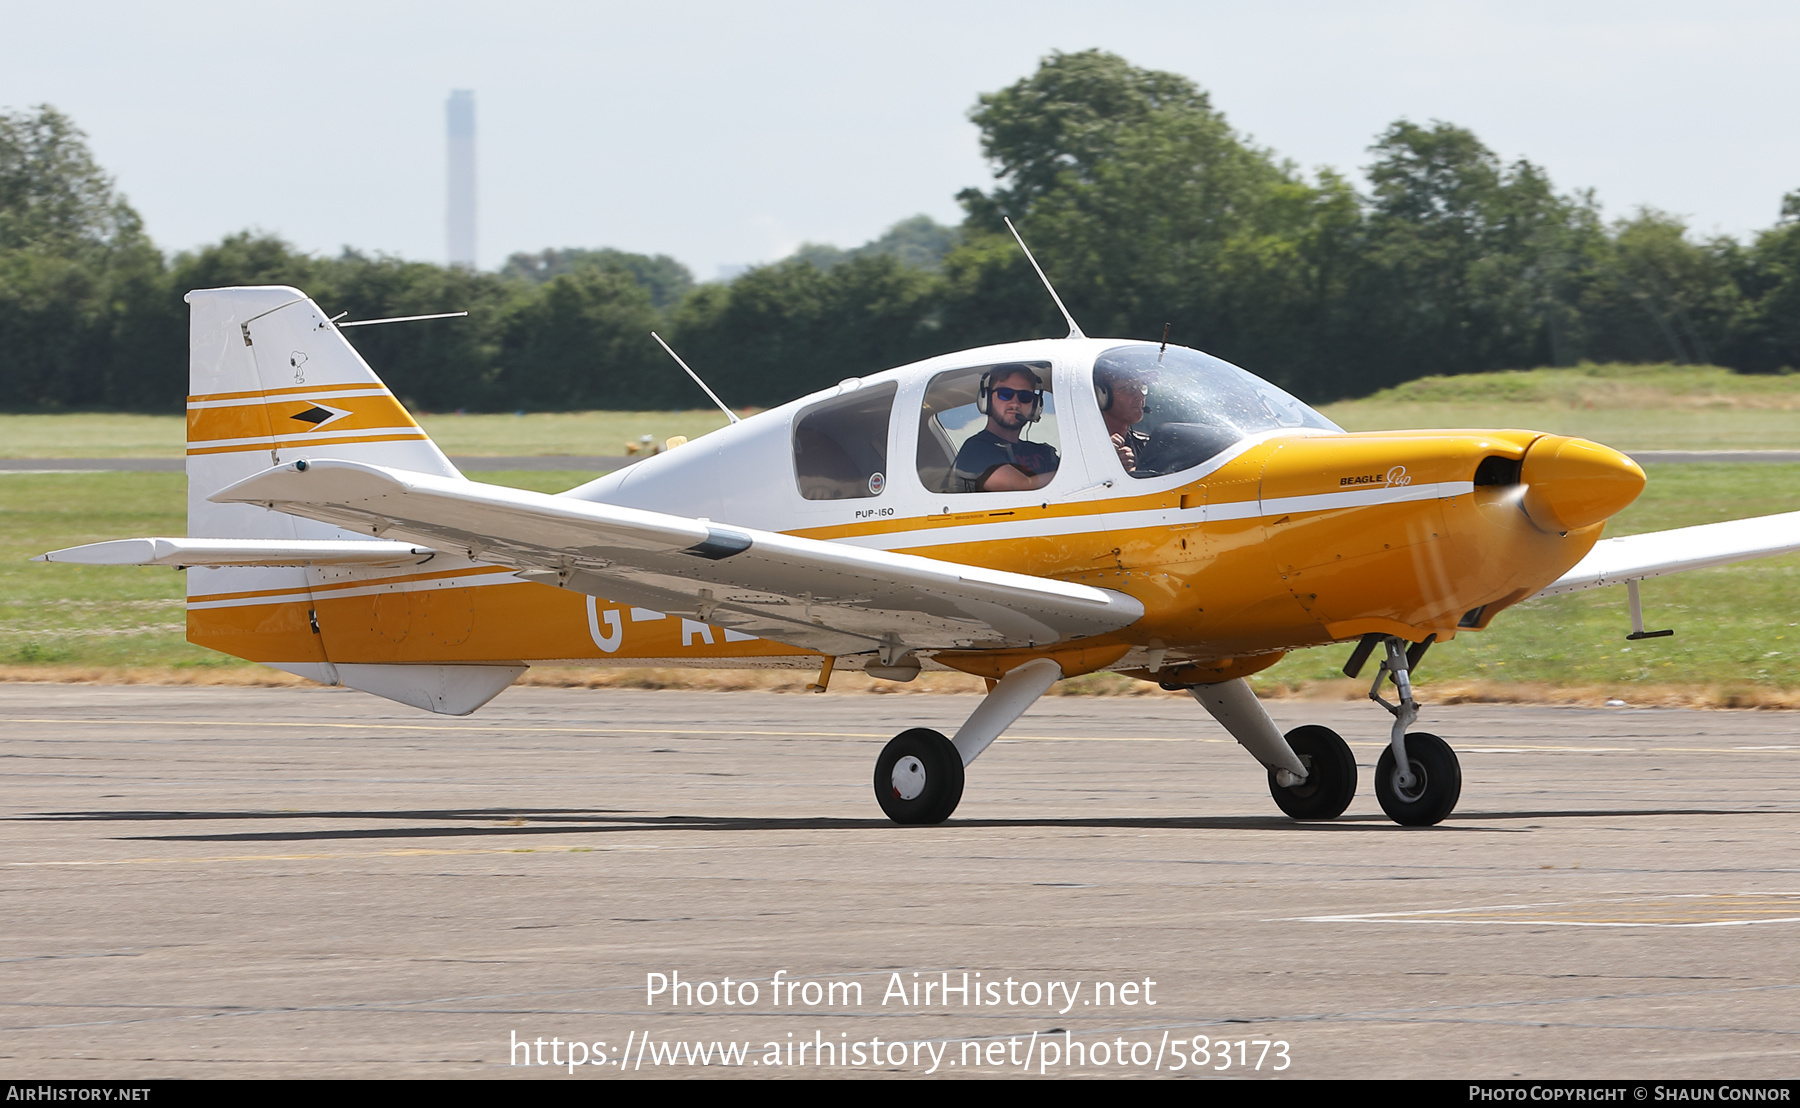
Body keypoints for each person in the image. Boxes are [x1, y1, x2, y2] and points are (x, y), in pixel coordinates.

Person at [951, 364, 1060, 492]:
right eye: (1005, 394)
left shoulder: (1043, 452)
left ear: (1035, 405)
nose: (1015, 403)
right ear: (987, 400)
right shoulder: (975, 450)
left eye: (1025, 396)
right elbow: (1023, 485)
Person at [1095, 362, 1153, 473]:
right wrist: (1101, 462)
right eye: (1130, 389)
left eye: (1142, 388)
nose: (1141, 396)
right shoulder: (1081, 445)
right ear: (1102, 395)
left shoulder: (1144, 445)